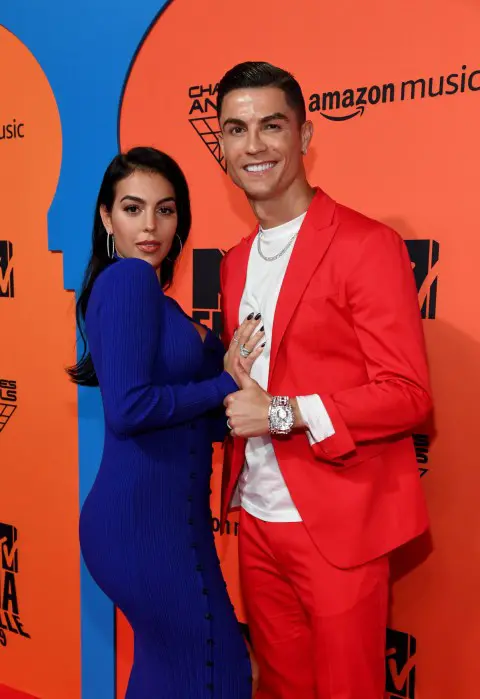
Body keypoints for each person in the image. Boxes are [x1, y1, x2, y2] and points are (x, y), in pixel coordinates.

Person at [216, 62, 432, 699]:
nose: (253, 145)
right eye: (235, 129)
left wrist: (281, 412)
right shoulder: (232, 264)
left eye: (271, 126)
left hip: (339, 525)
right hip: (255, 517)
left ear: (306, 136)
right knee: (279, 689)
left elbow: (409, 395)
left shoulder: (367, 245)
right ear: (221, 145)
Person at [67, 146, 262, 699]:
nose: (151, 226)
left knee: (174, 670)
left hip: (167, 516)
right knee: (212, 671)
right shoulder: (128, 280)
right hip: (144, 522)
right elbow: (131, 410)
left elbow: (188, 412)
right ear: (106, 217)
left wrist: (229, 393)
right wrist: (223, 382)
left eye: (166, 210)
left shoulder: (156, 299)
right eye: (133, 209)